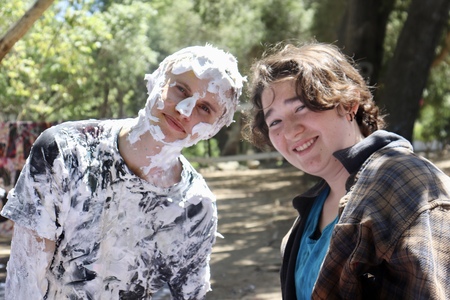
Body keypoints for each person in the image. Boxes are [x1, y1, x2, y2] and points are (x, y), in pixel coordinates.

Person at [1, 44, 245, 299]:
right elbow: (25, 280)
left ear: (216, 127)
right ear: (157, 78)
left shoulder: (197, 207)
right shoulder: (63, 150)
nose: (184, 110)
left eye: (205, 108)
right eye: (181, 89)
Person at [243, 41, 450, 299]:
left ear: (349, 103)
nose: (290, 131)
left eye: (301, 107)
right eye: (275, 121)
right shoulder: (310, 211)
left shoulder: (407, 183)